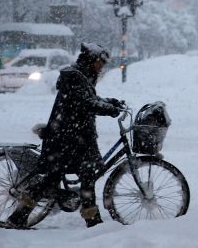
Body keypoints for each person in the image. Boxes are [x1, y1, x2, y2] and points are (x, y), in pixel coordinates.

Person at [7, 43, 125, 229]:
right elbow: (85, 103)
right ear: (91, 59)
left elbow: (90, 99)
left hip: (74, 137)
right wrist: (108, 109)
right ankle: (91, 221)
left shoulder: (83, 75)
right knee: (65, 179)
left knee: (69, 179)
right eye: (100, 62)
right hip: (67, 139)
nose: (102, 66)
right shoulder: (74, 77)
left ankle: (20, 217)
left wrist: (109, 102)